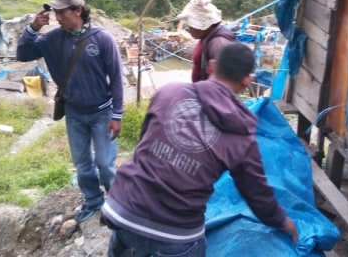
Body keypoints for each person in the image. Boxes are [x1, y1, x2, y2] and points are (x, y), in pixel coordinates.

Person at [101, 42, 299, 257]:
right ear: (247, 81)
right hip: (176, 233)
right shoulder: (242, 135)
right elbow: (256, 192)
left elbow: (143, 147)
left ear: (212, 67)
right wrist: (282, 221)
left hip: (123, 209)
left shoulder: (168, 93)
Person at [17, 0, 124, 222]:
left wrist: (117, 115)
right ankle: (93, 201)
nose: (57, 17)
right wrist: (32, 29)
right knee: (83, 164)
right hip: (75, 114)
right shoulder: (52, 39)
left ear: (77, 10)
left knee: (106, 164)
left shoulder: (102, 38)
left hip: (102, 113)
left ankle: (116, 204)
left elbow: (116, 78)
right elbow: (23, 54)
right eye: (54, 12)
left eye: (61, 12)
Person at [176, 0, 235, 82]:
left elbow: (222, 83)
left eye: (190, 25)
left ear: (202, 25)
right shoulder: (206, 37)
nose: (188, 29)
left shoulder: (218, 43)